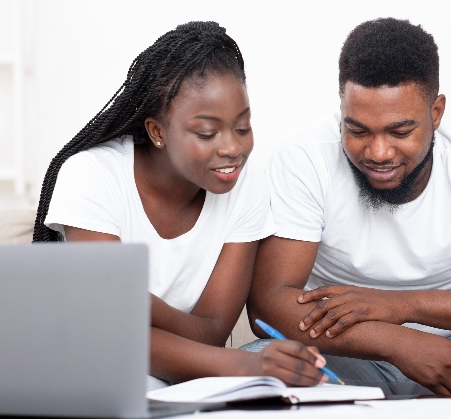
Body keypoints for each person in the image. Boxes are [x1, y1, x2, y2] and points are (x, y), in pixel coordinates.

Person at [244, 17, 451, 395]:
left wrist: (403, 306)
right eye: (357, 130)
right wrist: (398, 342)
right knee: (263, 362)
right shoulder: (305, 155)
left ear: (436, 113)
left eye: (400, 132)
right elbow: (268, 304)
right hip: (350, 350)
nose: (378, 152)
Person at [33, 21, 328, 391]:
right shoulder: (92, 176)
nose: (232, 148)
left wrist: (136, 305)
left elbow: (212, 331)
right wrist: (245, 364)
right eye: (207, 133)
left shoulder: (246, 185)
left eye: (242, 127)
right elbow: (106, 335)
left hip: (190, 374)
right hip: (87, 369)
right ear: (157, 131)